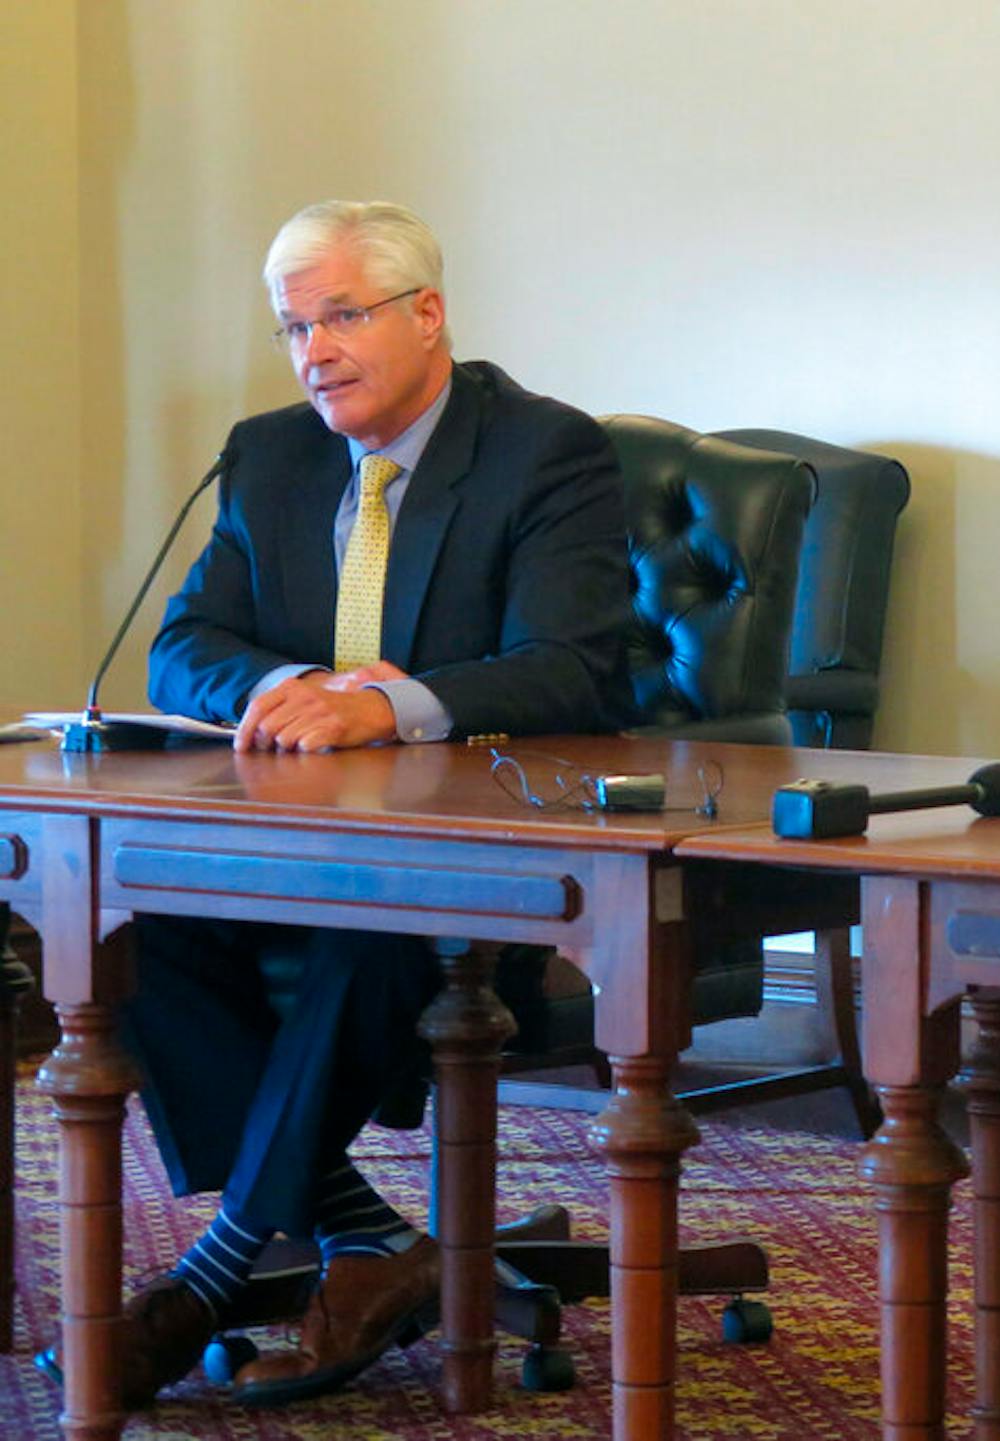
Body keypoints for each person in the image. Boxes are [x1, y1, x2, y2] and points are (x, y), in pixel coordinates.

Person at [34, 200, 631, 1410]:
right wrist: (286, 683)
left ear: (429, 315)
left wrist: (391, 705)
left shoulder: (543, 451)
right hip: (285, 846)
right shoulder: (273, 454)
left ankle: (205, 1276)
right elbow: (185, 642)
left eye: (343, 315)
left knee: (374, 923)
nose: (315, 351)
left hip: (480, 869)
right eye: (294, 327)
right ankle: (367, 1241)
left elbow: (579, 665)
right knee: (125, 917)